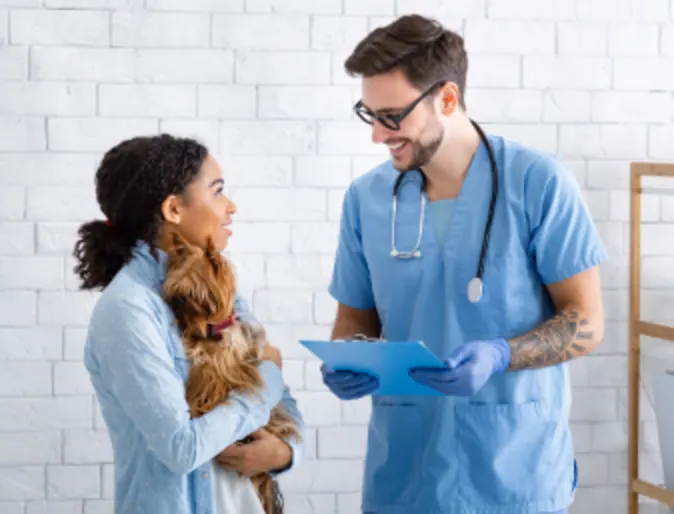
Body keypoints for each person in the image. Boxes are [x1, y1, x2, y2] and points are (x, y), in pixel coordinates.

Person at [321, 14, 606, 514]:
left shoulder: (537, 183)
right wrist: (346, 360)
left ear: (447, 99)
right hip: (404, 478)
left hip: (515, 474)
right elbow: (354, 323)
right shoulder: (366, 199)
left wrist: (501, 355)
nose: (377, 136)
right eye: (370, 116)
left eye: (392, 116)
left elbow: (587, 322)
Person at [74, 134, 304, 514]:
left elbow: (284, 410)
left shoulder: (222, 291)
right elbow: (182, 449)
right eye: (217, 192)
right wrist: (267, 381)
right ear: (173, 210)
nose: (231, 207)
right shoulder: (129, 309)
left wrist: (283, 454)